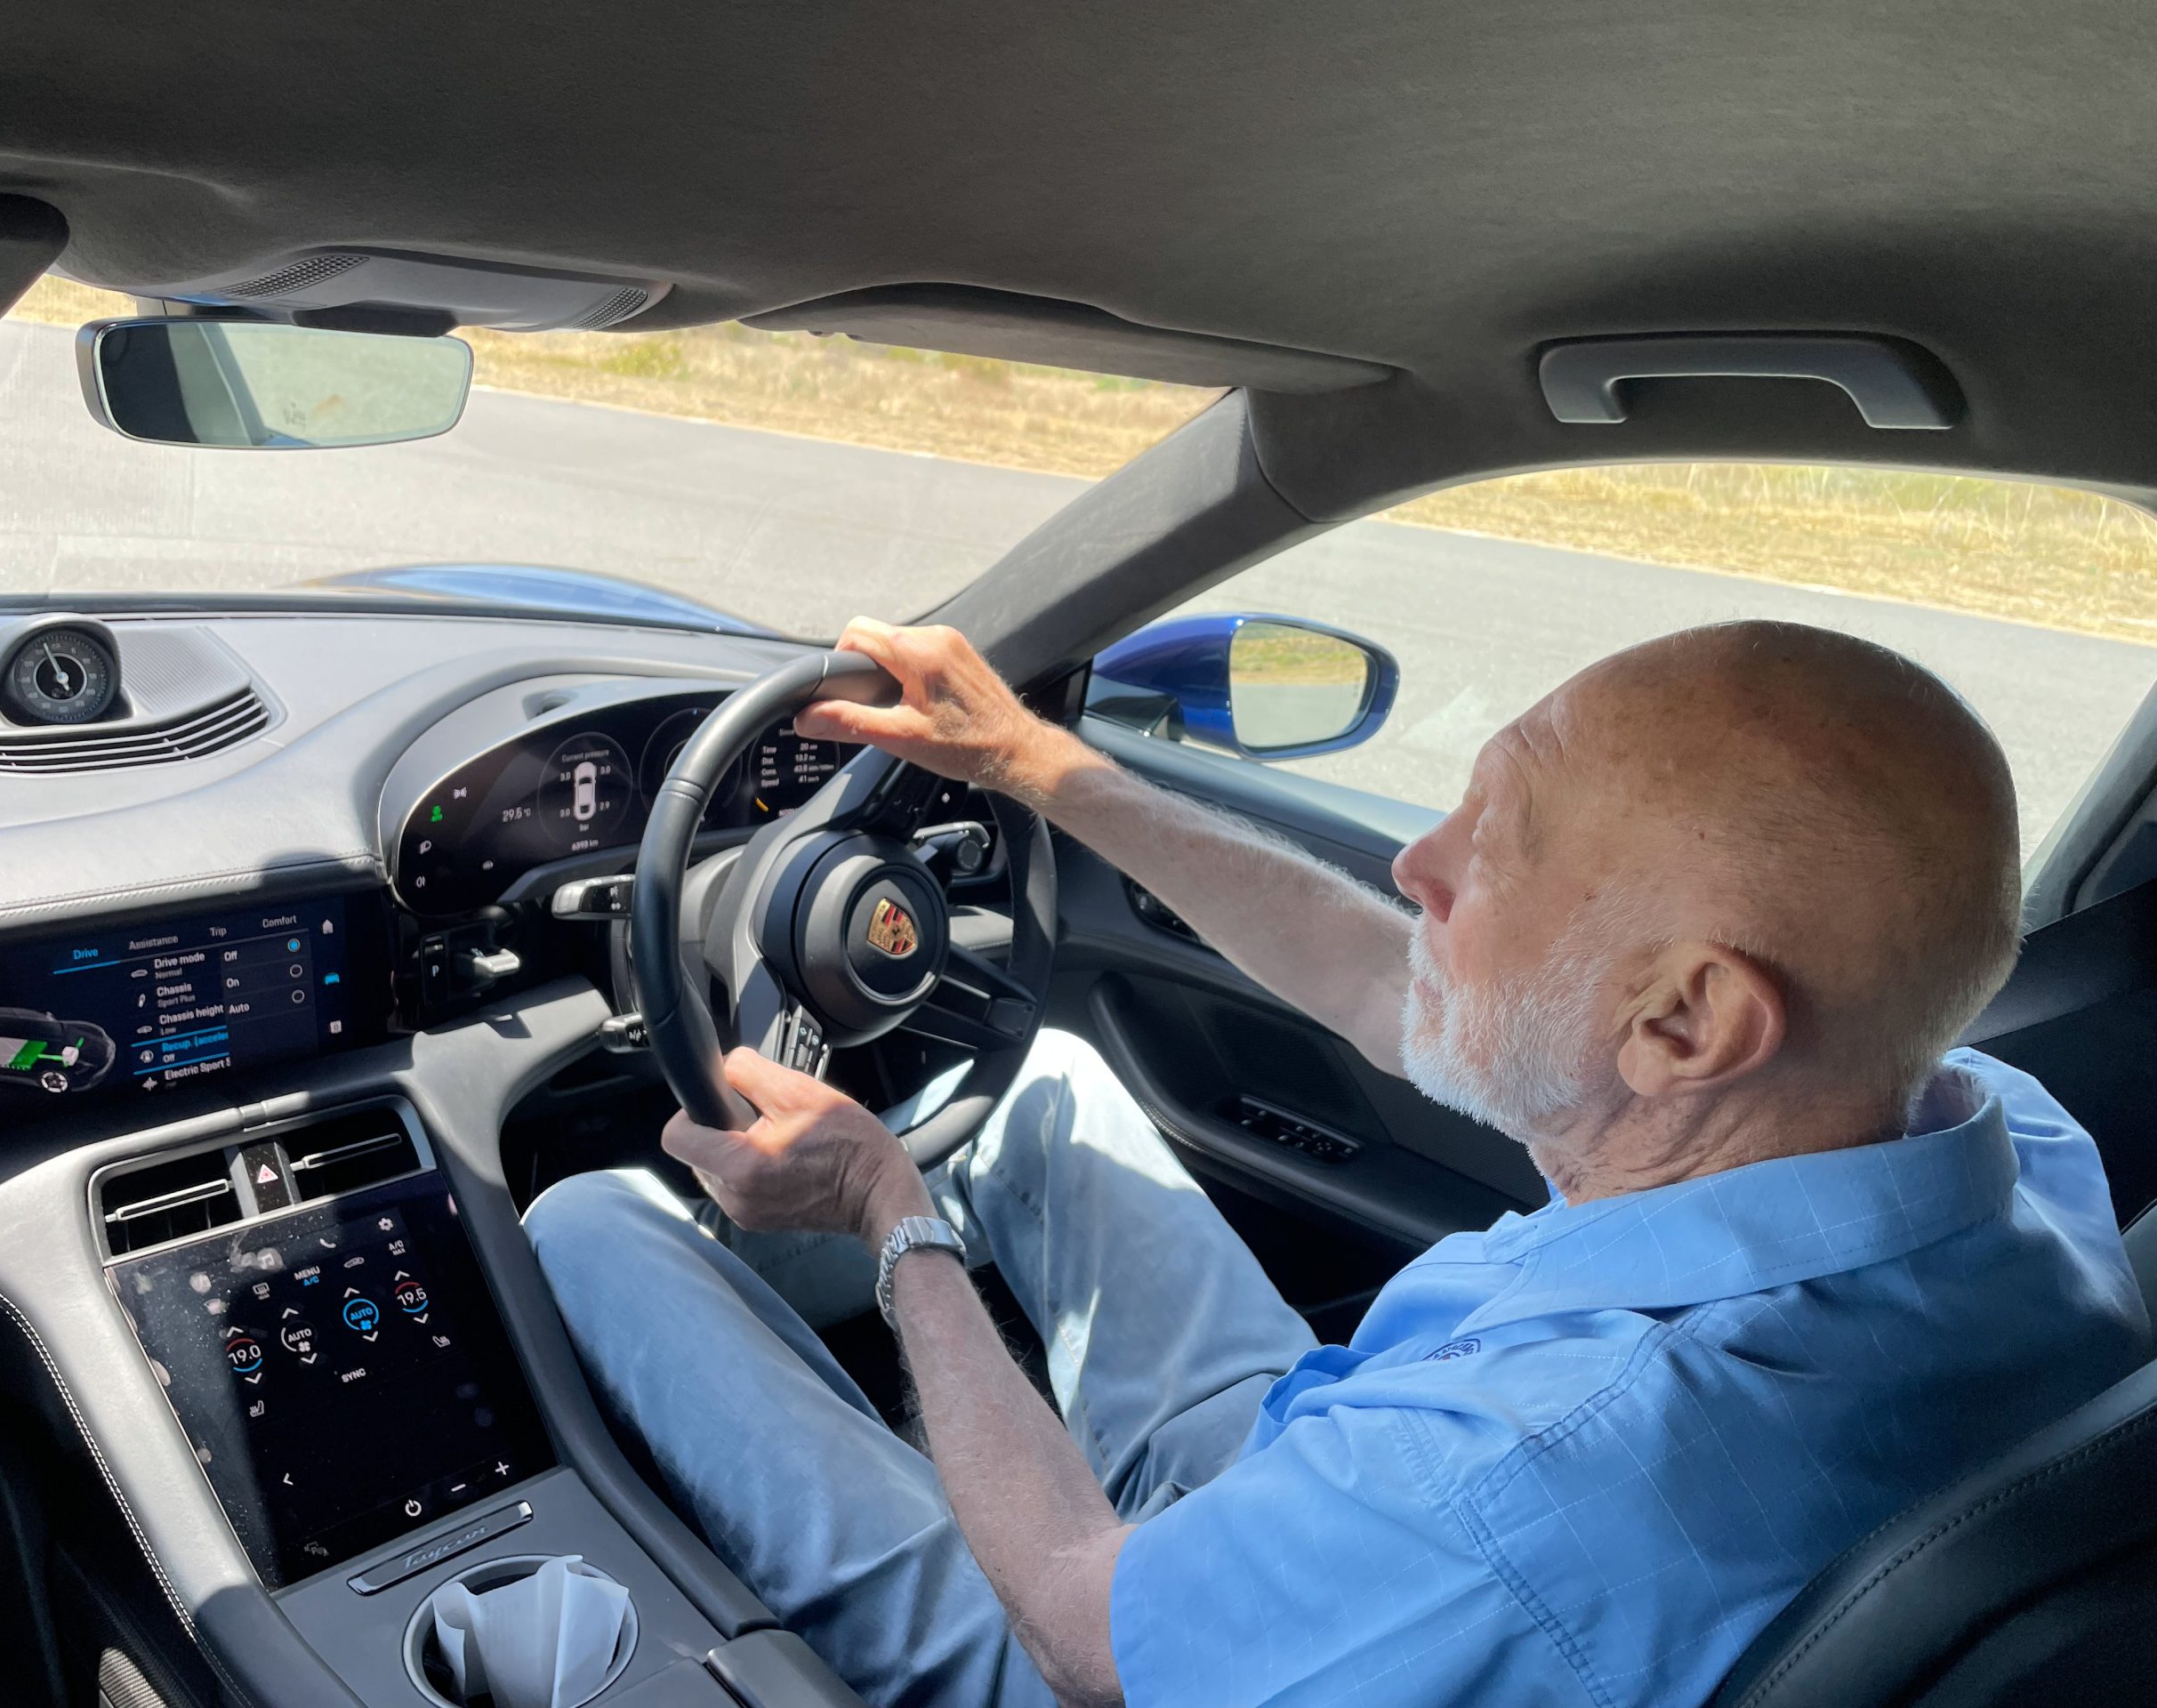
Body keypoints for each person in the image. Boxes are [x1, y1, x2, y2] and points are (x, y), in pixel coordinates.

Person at [527, 617, 2151, 1708]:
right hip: (1341, 1517)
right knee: (1051, 1090)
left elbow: (1085, 1627)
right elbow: (1392, 983)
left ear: (1686, 1020)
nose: (1417, 860)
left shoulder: (1529, 1478)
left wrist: (892, 1217)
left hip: (1132, 1648)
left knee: (593, 1218)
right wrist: (1029, 762)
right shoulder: (2010, 1147)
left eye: (1496, 844)